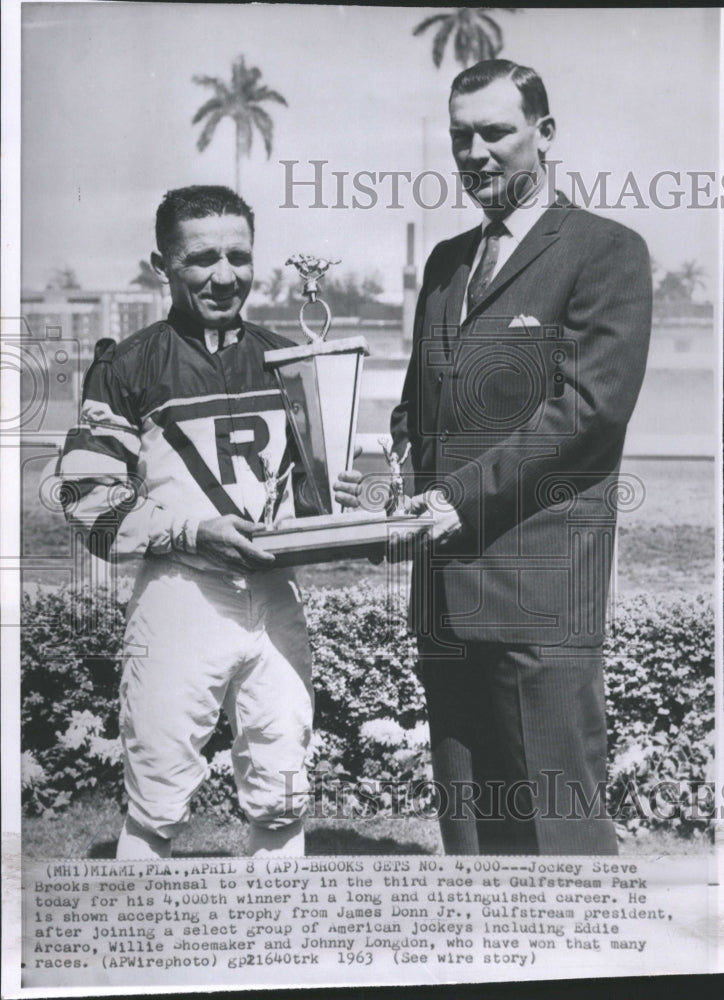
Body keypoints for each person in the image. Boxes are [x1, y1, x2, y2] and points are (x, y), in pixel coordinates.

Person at [336, 60, 652, 855]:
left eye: (495, 132)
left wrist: (453, 500)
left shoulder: (605, 252)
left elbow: (585, 412)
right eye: (459, 136)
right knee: (471, 830)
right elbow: (418, 411)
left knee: (557, 823)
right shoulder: (446, 266)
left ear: (545, 135)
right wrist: (384, 483)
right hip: (444, 590)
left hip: (541, 592)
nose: (474, 152)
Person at [59, 185, 321, 859]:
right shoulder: (128, 364)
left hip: (273, 594)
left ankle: (283, 955)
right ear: (162, 265)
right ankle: (132, 956)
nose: (225, 275)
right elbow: (89, 501)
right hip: (181, 595)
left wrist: (336, 499)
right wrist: (189, 531)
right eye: (202, 258)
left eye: (239, 255)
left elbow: (306, 497)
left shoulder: (288, 357)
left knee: (283, 783)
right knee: (157, 797)